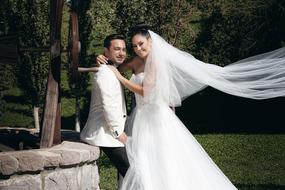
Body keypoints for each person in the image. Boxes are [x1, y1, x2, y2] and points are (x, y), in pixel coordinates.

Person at [106, 24, 285, 190]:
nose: (138, 49)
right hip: (140, 117)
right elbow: (116, 67)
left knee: (164, 159)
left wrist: (120, 78)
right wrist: (105, 61)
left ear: (151, 41)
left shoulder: (156, 62)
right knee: (143, 160)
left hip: (156, 118)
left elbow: (145, 91)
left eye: (141, 44)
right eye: (134, 46)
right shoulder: (136, 61)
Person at [79, 34, 130, 178]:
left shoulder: (111, 70)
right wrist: (118, 133)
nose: (122, 53)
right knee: (133, 173)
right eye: (117, 49)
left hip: (110, 133)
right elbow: (109, 106)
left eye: (124, 49)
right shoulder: (105, 74)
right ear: (106, 51)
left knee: (132, 174)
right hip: (106, 135)